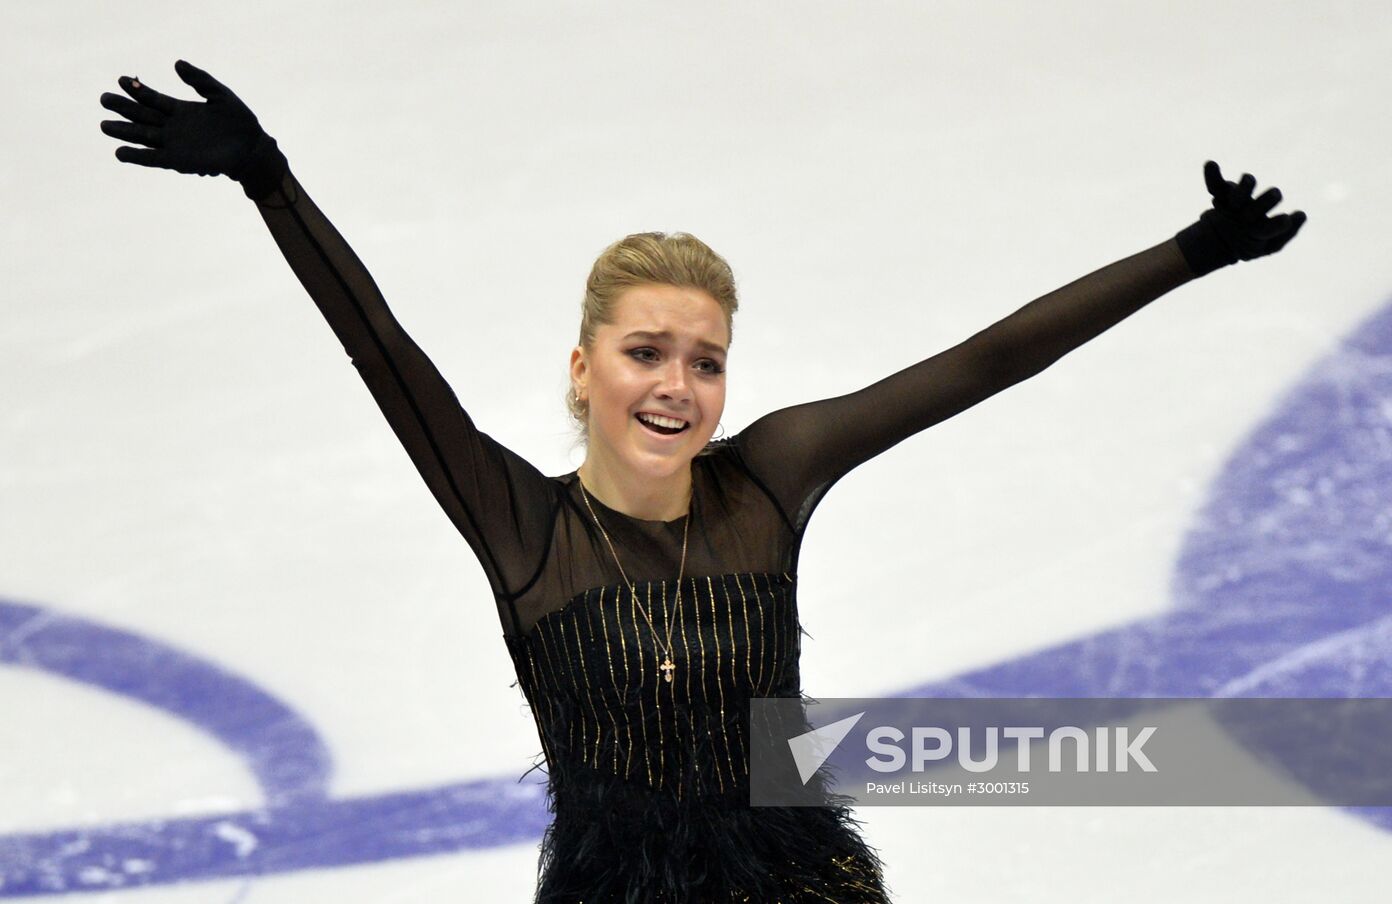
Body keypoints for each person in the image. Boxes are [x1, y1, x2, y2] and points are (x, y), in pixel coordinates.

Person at [98, 60, 1306, 903]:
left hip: (800, 883)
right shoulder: (524, 528)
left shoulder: (767, 480)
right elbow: (382, 351)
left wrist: (1187, 253)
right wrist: (270, 181)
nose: (675, 385)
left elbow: (983, 362)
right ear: (583, 370)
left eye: (705, 360)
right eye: (644, 353)